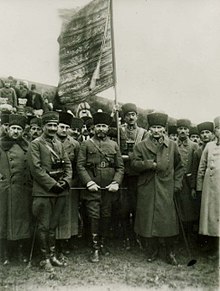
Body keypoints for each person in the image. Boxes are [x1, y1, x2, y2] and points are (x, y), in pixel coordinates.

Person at [131, 112, 184, 265]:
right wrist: (148, 164)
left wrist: (177, 184)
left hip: (167, 188)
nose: (156, 131)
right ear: (149, 129)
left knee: (168, 221)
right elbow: (133, 164)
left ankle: (169, 252)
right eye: (154, 127)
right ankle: (152, 250)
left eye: (159, 127)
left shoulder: (172, 146)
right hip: (148, 188)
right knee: (149, 222)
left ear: (164, 129)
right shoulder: (140, 146)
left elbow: (179, 167)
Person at [28, 111, 72, 272]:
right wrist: (52, 184)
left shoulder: (60, 144)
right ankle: (44, 258)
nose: (53, 128)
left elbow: (67, 165)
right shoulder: (35, 144)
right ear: (43, 127)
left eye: (55, 125)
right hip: (43, 191)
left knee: (53, 226)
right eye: (50, 125)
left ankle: (52, 255)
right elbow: (36, 169)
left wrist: (66, 181)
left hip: (60, 190)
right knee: (43, 226)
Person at [77, 111, 124, 263]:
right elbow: (80, 166)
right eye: (98, 126)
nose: (101, 129)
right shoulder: (86, 144)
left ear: (108, 128)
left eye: (104, 126)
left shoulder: (114, 145)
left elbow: (120, 167)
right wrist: (88, 182)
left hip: (109, 189)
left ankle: (102, 243)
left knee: (106, 216)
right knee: (94, 216)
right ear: (93, 128)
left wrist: (116, 182)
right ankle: (95, 248)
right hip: (92, 188)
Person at [0, 114, 32, 265]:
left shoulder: (27, 146)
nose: (15, 131)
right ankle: (5, 254)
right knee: (4, 221)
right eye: (13, 128)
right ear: (7, 129)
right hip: (4, 190)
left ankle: (20, 251)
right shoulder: (1, 144)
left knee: (21, 222)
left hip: (23, 190)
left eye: (19, 129)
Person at [119, 103, 148, 249]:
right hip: (123, 174)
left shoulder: (143, 133)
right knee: (124, 208)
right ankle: (126, 237)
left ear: (137, 116)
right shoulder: (119, 131)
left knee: (138, 207)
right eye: (127, 115)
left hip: (138, 175)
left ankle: (138, 236)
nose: (130, 117)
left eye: (133, 114)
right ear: (123, 117)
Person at [55, 111, 80, 258]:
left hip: (70, 184)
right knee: (55, 213)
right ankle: (55, 243)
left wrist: (71, 181)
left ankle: (66, 241)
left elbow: (77, 165)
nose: (64, 130)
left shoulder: (75, 144)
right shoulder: (49, 141)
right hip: (53, 183)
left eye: (66, 127)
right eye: (61, 126)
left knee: (68, 214)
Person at [197, 116, 220, 259]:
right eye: (218, 128)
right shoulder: (209, 146)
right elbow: (202, 167)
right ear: (215, 131)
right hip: (210, 189)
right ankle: (212, 246)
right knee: (211, 218)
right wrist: (199, 187)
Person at [176, 118, 199, 243]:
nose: (183, 131)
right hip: (176, 180)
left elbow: (195, 166)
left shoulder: (194, 146)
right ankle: (178, 236)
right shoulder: (172, 144)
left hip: (188, 181)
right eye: (180, 129)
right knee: (176, 208)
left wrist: (193, 184)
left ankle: (189, 237)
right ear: (177, 130)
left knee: (188, 209)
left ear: (189, 131)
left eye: (185, 129)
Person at [191, 121, 214, 237]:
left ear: (212, 134)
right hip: (202, 186)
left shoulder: (215, 148)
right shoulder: (198, 152)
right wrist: (194, 188)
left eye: (207, 132)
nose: (205, 135)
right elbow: (195, 171)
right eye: (203, 133)